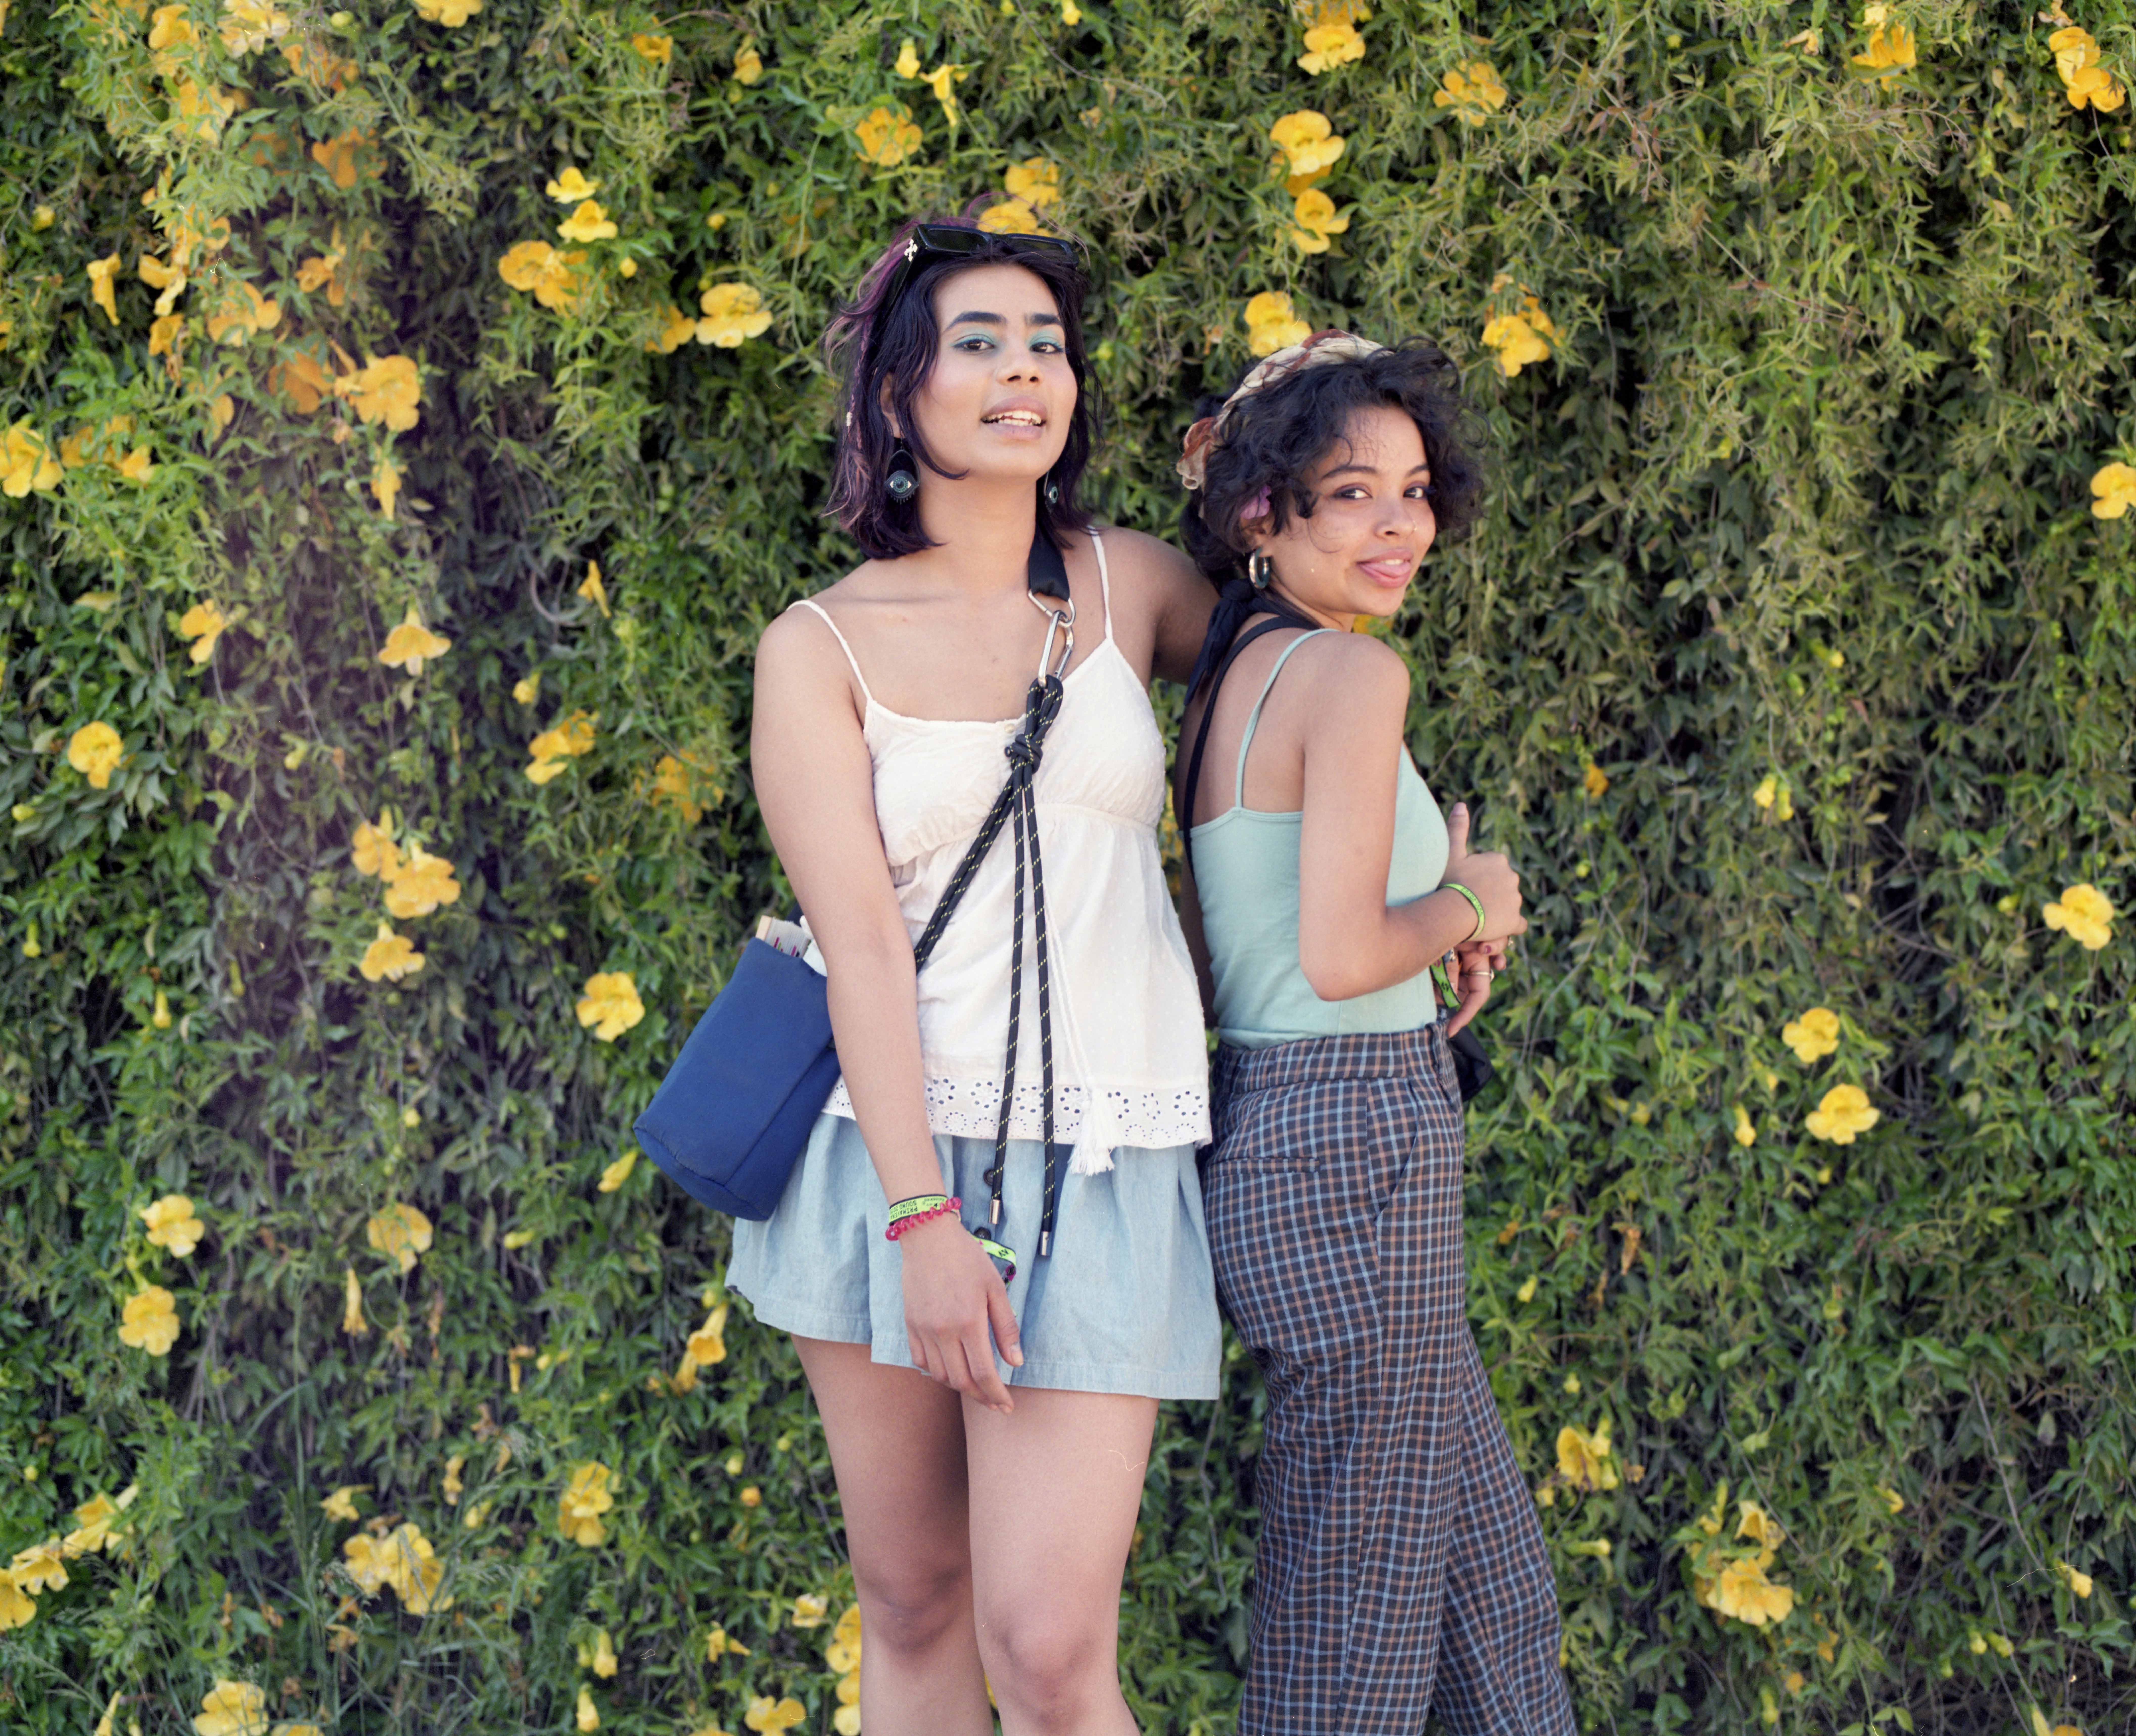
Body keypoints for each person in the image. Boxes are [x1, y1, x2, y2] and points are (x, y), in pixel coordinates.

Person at [729, 217, 1221, 1736]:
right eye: (980, 342)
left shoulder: (1125, 584)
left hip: (1105, 1150)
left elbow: (1293, 680)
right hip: (890, 1156)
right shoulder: (816, 647)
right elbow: (862, 940)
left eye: (1047, 343)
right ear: (898, 397)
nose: (1026, 371)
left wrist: (1438, 886)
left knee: (1054, 1649)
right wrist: (923, 1217)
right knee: (917, 1602)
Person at [1172, 331, 1577, 1734]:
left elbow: (1301, 943)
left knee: (1485, 1597)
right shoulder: (1348, 683)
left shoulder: (1237, 679)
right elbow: (1345, 954)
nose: (1398, 522)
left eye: (1411, 489)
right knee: (1353, 1625)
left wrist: (1435, 927)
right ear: (1260, 512)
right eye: (1350, 491)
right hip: (1353, 1138)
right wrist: (1472, 892)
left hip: (1294, 1139)